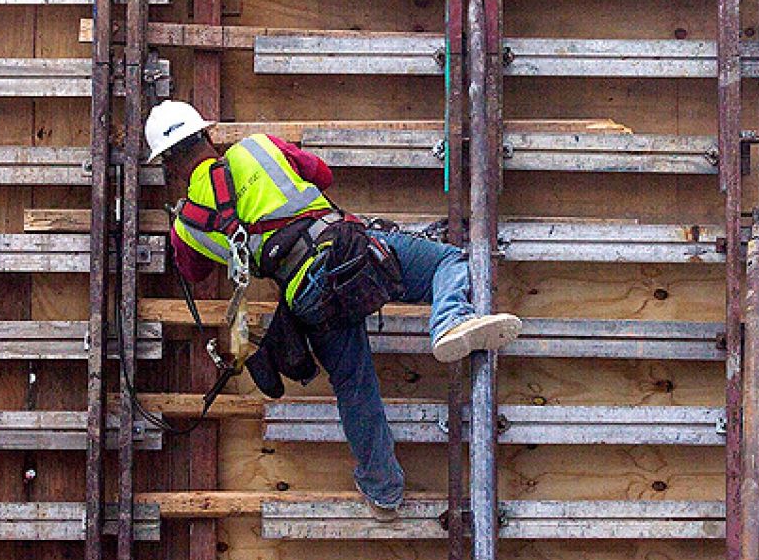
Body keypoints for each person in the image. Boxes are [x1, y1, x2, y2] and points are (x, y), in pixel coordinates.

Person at [144, 100, 522, 521]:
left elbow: (193, 273)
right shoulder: (257, 148)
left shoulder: (187, 228)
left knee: (353, 384)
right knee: (447, 262)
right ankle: (450, 321)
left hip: (306, 296)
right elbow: (322, 174)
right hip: (348, 256)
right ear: (209, 137)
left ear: (169, 166)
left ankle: (384, 492)